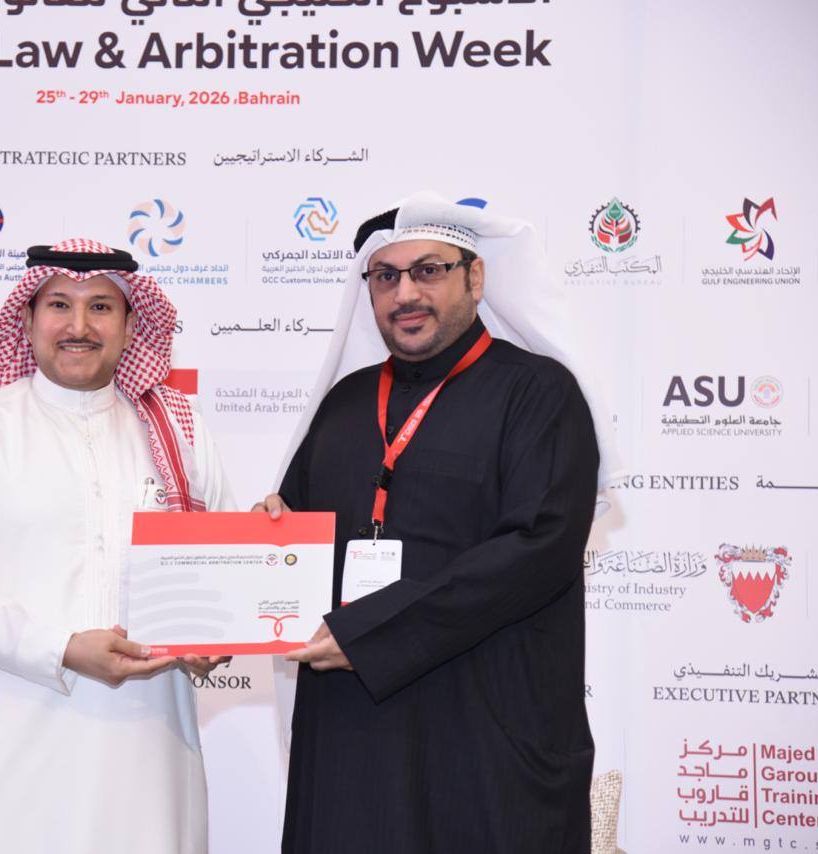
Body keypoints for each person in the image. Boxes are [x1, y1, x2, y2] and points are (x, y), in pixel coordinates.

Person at [256, 193, 608, 853]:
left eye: (429, 270)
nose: (405, 294)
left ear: (475, 279)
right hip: (350, 736)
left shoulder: (538, 393)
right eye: (385, 276)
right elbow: (296, 542)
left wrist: (374, 632)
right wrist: (266, 543)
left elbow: (536, 550)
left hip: (484, 733)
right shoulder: (345, 403)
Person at [0, 239, 233, 854]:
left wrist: (221, 630)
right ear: (27, 320)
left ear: (131, 326)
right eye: (59, 304)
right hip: (11, 747)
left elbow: (221, 575)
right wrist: (60, 648)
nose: (78, 326)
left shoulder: (178, 434)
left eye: (101, 307)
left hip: (148, 755)